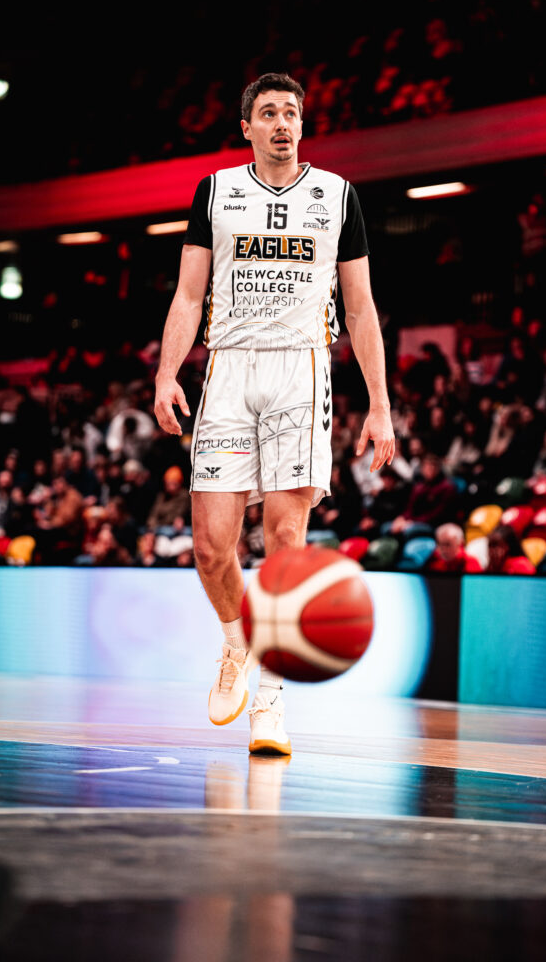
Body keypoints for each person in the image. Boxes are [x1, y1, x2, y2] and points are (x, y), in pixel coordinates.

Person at [155, 72, 394, 755]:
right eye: (268, 113)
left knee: (286, 540)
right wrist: (166, 373)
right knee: (211, 547)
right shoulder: (215, 190)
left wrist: (380, 404)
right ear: (247, 128)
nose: (282, 122)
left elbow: (359, 309)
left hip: (301, 369)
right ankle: (236, 641)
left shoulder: (337, 195)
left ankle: (270, 700)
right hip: (228, 367)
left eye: (291, 112)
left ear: (301, 125)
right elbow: (188, 295)